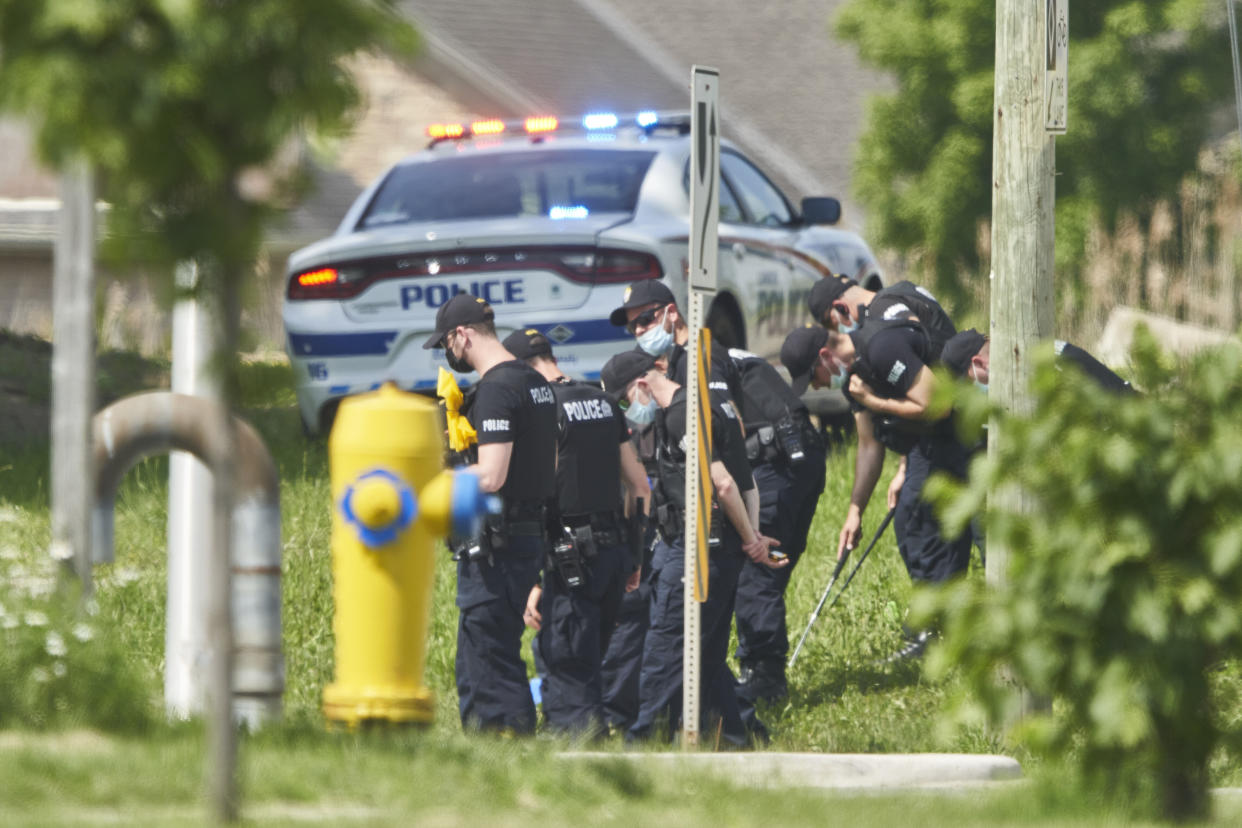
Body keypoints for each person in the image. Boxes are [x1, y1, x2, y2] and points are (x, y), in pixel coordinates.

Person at [609, 279, 823, 702]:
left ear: (673, 313)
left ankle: (764, 679)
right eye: (632, 326)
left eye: (646, 319)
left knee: (747, 578)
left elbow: (724, 441)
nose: (639, 331)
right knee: (744, 582)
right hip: (763, 478)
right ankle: (738, 705)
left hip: (756, 482)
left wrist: (745, 529)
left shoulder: (700, 357)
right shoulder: (683, 359)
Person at [600, 350, 783, 744]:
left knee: (666, 650)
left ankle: (645, 744)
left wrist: (752, 539)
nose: (626, 410)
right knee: (707, 659)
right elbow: (746, 478)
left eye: (624, 399)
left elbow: (725, 483)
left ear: (642, 385)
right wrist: (751, 535)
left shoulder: (682, 413)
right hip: (721, 548)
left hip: (697, 550)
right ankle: (737, 741)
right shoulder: (713, 404)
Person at [782, 318, 972, 661]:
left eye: (815, 377)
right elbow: (869, 446)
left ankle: (948, 632)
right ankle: (937, 630)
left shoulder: (880, 348)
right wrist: (855, 511)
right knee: (911, 521)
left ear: (826, 356)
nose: (820, 386)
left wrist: (874, 400)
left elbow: (937, 405)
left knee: (933, 523)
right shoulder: (853, 382)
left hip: (964, 428)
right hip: (928, 445)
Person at [500, 328, 650, 736]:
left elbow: (541, 490)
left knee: (565, 661)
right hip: (614, 553)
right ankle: (596, 731)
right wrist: (635, 555)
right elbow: (639, 485)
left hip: (568, 559)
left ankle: (579, 751)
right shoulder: (602, 401)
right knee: (592, 659)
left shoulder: (544, 412)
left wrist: (534, 578)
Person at [423, 294, 558, 733]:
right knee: (486, 650)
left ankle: (503, 750)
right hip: (526, 537)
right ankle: (503, 747)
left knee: (487, 657)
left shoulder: (498, 388)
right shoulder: (535, 382)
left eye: (446, 343)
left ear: (462, 335)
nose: (448, 354)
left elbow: (493, 475)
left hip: (498, 548)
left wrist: (433, 485)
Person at [940, 329, 1135, 395]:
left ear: (979, 363)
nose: (977, 388)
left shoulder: (1037, 367)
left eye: (970, 381)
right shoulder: (1033, 352)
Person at [808, 274, 957, 357]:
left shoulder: (882, 310)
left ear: (840, 307)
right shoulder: (901, 288)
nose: (837, 331)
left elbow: (913, 344)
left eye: (831, 323)